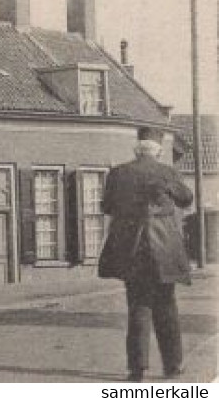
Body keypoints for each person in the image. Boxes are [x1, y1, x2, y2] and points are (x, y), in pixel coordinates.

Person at [98, 125, 193, 382]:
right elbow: (187, 199)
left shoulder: (118, 173)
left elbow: (106, 207)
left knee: (138, 306)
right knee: (166, 307)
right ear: (159, 151)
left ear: (136, 148)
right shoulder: (167, 172)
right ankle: (172, 366)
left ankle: (137, 369)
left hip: (132, 250)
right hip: (163, 249)